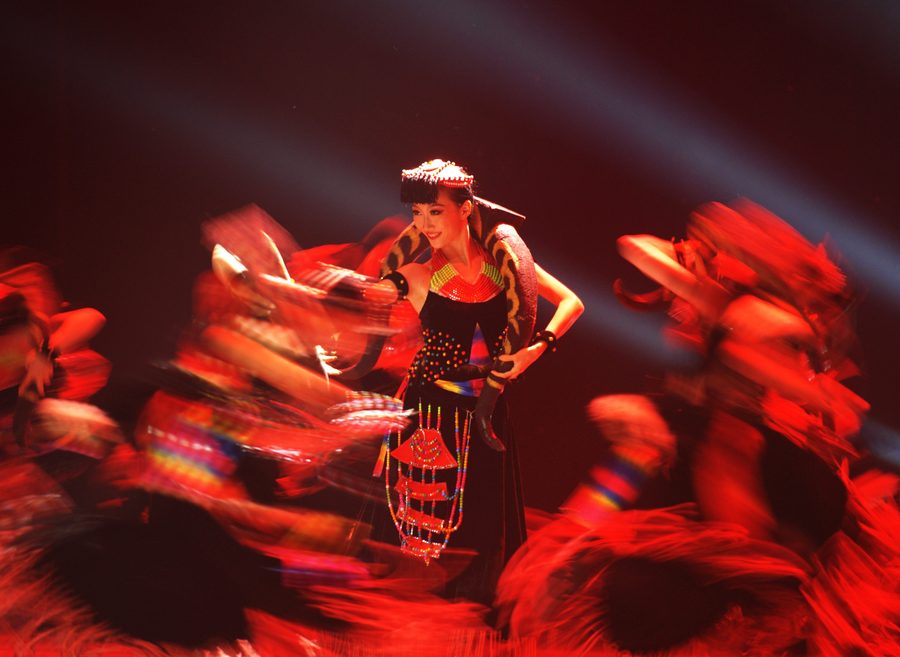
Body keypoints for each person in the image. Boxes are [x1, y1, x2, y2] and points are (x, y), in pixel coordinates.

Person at [369, 159, 583, 603]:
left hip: (486, 414)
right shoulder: (418, 274)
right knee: (420, 533)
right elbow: (367, 297)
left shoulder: (505, 265)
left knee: (483, 534)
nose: (425, 224)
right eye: (417, 213)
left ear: (465, 209)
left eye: (436, 211)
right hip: (427, 417)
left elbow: (571, 303)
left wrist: (533, 351)